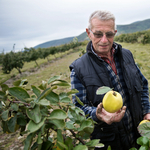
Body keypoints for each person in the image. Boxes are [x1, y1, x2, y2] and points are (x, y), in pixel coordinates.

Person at [69, 10, 150, 150]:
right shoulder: (79, 69)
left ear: (115, 32)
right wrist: (97, 114)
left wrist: (147, 111)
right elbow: (78, 108)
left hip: (139, 135)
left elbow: (142, 85)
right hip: (110, 142)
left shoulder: (127, 55)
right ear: (89, 33)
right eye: (98, 34)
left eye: (109, 34)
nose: (104, 40)